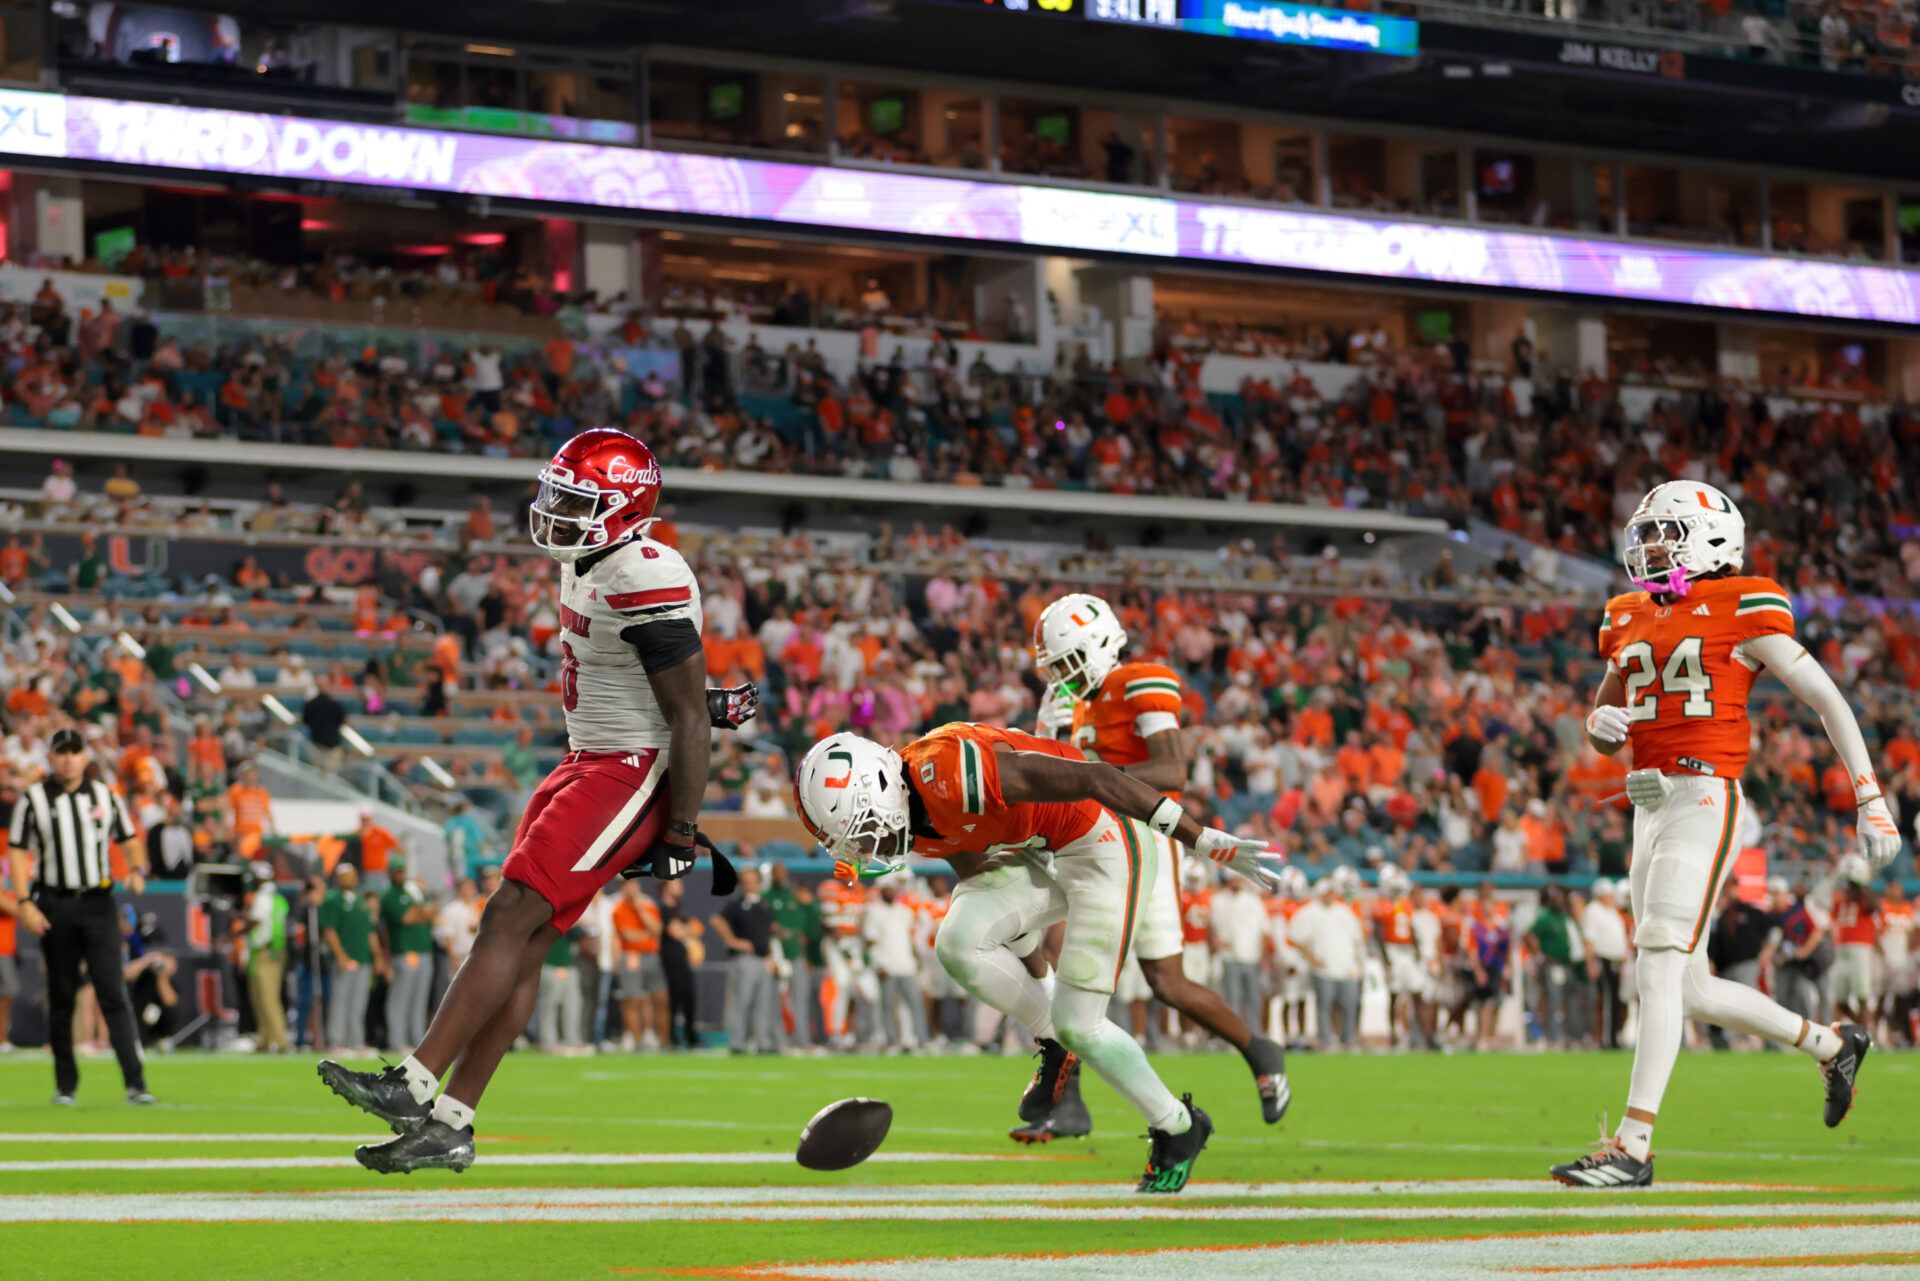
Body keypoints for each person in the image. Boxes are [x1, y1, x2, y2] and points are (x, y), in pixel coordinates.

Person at [318, 428, 757, 1175]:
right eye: (556, 493)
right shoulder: (591, 560)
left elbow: (684, 716)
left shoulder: (644, 569)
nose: (555, 510)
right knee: (525, 943)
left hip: (628, 770)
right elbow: (667, 686)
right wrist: (708, 703)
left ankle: (414, 1081)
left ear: (624, 510)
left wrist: (681, 831)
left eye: (576, 499)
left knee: (511, 912)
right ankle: (451, 1124)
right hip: (587, 761)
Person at [1552, 480, 1900, 1189]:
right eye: (1646, 534)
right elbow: (1604, 719)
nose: (1648, 547)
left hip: (1705, 797)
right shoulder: (1626, 613)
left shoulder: (1743, 602)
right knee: (1690, 986)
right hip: (1647, 803)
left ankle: (1633, 1144)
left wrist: (1870, 796)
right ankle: (1833, 1044)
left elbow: (1826, 697)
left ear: (1712, 541)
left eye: (1665, 534)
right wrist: (1598, 726)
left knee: (1654, 961)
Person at [796, 722, 1280, 1194]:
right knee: (959, 943)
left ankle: (1177, 1127)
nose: (867, 848)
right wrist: (1036, 972)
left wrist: (1197, 838)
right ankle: (1054, 1040)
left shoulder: (947, 771)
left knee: (1081, 1024)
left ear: (877, 787)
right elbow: (971, 863)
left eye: (863, 831)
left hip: (1105, 843)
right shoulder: (910, 812)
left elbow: (1097, 777)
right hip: (1040, 854)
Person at [1023, 593, 1286, 1139]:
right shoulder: (1071, 706)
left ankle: (1258, 1047)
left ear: (1099, 646)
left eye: (1069, 663)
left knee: (1168, 982)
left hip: (1146, 837)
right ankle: (1067, 1098)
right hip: (1092, 844)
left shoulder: (1137, 680)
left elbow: (1173, 769)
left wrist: (1090, 770)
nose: (1064, 679)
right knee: (1052, 947)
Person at [5, 727, 155, 1105]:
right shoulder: (34, 799)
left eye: (75, 752)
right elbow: (18, 851)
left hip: (99, 903)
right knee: (62, 995)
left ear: (85, 757)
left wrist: (137, 869)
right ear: (51, 757)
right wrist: (24, 901)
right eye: (62, 752)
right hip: (56, 903)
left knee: (112, 991)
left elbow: (129, 839)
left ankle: (136, 1083)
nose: (69, 759)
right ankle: (65, 1085)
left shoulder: (105, 796)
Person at [711, 864, 779, 1053]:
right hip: (745, 959)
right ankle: (738, 1042)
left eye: (752, 881)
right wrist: (733, 941)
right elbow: (717, 920)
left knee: (763, 1003)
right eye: (746, 881)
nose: (749, 885)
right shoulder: (737, 903)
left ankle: (762, 1042)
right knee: (742, 1001)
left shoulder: (764, 904)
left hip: (763, 959)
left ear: (759, 882)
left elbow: (768, 930)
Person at [379, 857, 436, 1052]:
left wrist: (421, 907)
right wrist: (421, 910)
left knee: (419, 1000)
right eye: (396, 872)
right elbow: (406, 918)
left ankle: (417, 1041)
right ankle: (397, 1041)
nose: (400, 875)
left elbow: (433, 912)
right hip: (404, 951)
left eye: (402, 871)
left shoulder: (412, 892)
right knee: (400, 998)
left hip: (424, 950)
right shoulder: (389, 895)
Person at [321, 863, 378, 1054]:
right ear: (338, 878)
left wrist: (376, 956)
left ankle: (356, 1041)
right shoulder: (332, 899)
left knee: (359, 1002)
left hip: (363, 958)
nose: (350, 879)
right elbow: (329, 930)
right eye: (345, 876)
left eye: (352, 875)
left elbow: (369, 931)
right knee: (341, 1001)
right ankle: (337, 1041)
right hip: (345, 959)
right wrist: (341, 957)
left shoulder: (360, 900)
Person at [609, 878, 662, 1051]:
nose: (632, 888)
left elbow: (657, 930)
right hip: (630, 956)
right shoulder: (617, 906)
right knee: (633, 999)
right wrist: (646, 935)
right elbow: (628, 936)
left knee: (652, 997)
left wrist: (640, 909)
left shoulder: (647, 903)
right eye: (628, 885)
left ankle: (649, 1034)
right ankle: (634, 1037)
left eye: (634, 884)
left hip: (650, 956)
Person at [246, 862, 291, 1053]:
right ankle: (265, 1039)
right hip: (274, 950)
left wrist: (239, 930)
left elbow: (257, 921)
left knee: (267, 998)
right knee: (260, 997)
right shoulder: (279, 898)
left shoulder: (263, 897)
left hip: (265, 951)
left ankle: (280, 1040)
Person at [1582, 879, 1631, 1049]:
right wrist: (1591, 963)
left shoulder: (1611, 912)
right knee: (1607, 1000)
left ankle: (1613, 1037)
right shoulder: (1594, 911)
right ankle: (1605, 1039)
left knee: (1616, 1000)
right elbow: (1589, 939)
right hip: (1603, 959)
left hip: (1615, 961)